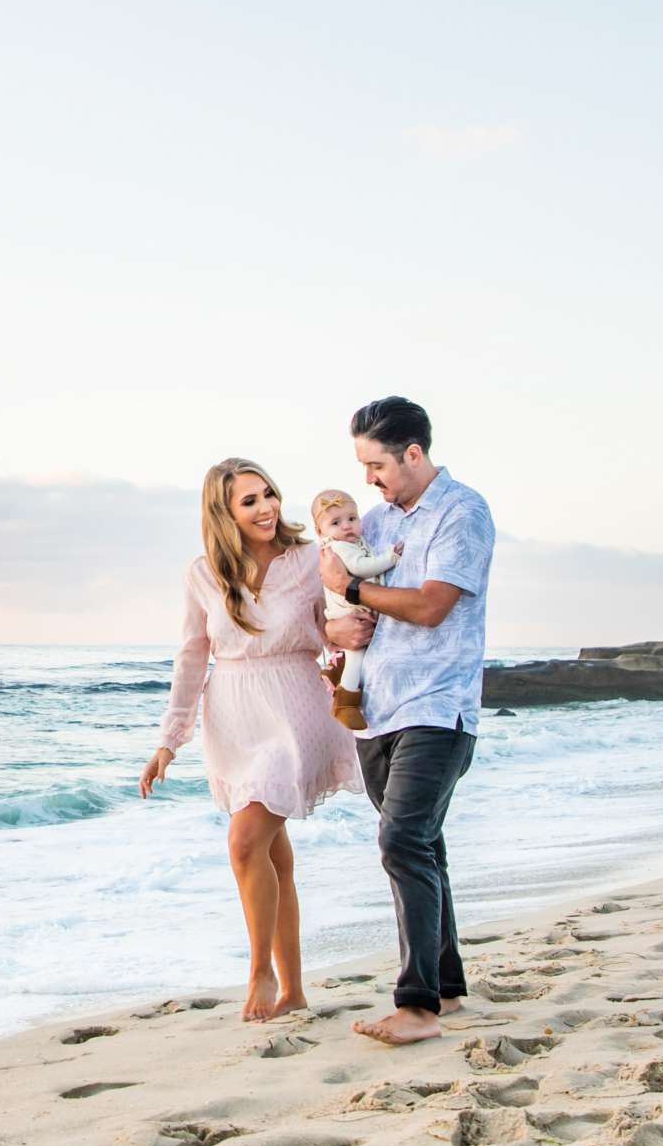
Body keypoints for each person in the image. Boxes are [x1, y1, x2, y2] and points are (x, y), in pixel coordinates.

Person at [142, 458, 364, 1022]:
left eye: (268, 494)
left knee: (244, 843)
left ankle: (259, 970)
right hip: (234, 715)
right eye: (249, 501)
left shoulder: (311, 560)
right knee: (272, 856)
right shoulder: (202, 575)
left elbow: (335, 621)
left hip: (296, 704)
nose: (266, 507)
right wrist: (170, 739)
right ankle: (294, 990)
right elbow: (193, 654)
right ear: (223, 514)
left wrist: (351, 646)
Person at [317, 397, 496, 1046]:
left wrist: (359, 590)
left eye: (376, 465)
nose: (369, 479)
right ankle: (446, 989)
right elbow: (333, 596)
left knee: (401, 842)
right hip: (377, 711)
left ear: (413, 454)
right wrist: (334, 621)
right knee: (424, 845)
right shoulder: (374, 519)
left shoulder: (462, 512)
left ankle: (415, 1003)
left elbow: (429, 606)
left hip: (438, 707)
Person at [312, 489, 402, 731]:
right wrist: (390, 558)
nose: (347, 526)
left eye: (352, 519)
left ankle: (334, 671)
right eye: (335, 522)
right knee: (357, 655)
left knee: (358, 655)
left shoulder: (354, 542)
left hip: (354, 608)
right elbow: (361, 567)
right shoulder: (339, 548)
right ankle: (346, 702)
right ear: (320, 532)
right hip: (347, 613)